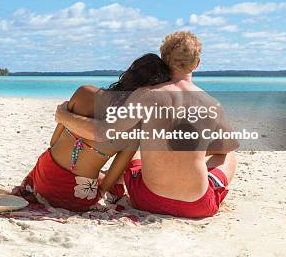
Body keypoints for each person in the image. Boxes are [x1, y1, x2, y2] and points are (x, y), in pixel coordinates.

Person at [55, 31, 238, 218]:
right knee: (229, 155)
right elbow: (226, 147)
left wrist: (64, 116)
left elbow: (103, 132)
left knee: (135, 142)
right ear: (197, 64)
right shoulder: (211, 103)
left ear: (164, 61)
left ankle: (113, 181)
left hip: (147, 200)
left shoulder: (147, 95)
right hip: (197, 206)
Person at [13, 54, 171, 212]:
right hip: (76, 196)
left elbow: (53, 142)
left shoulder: (84, 92)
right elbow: (108, 184)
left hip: (43, 177)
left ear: (130, 72)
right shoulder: (134, 128)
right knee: (114, 184)